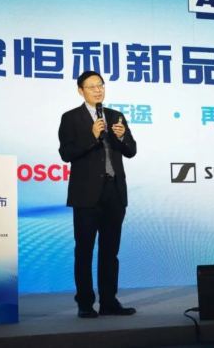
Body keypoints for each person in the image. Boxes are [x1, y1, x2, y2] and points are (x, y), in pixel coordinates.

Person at [58, 71, 137, 318]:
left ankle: (109, 301)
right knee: (84, 251)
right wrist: (91, 136)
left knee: (110, 251)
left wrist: (122, 136)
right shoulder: (71, 118)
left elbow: (131, 150)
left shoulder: (115, 115)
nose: (98, 90)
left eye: (100, 85)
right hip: (86, 195)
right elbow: (66, 153)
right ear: (80, 90)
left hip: (114, 192)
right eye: (91, 87)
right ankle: (84, 303)